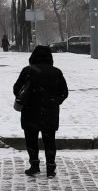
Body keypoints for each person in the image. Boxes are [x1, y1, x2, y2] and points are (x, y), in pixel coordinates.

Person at [13, 45, 68, 178]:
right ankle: (50, 168)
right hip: (49, 112)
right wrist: (54, 101)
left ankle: (34, 165)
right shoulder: (56, 72)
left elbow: (16, 89)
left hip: (30, 112)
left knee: (31, 139)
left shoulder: (27, 71)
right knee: (49, 141)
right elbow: (64, 92)